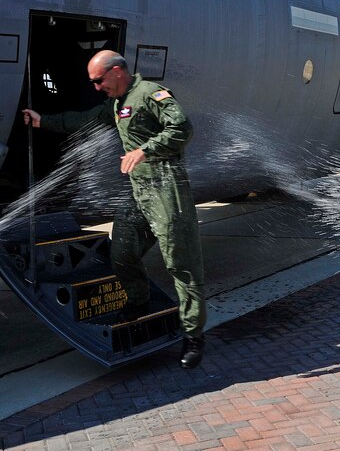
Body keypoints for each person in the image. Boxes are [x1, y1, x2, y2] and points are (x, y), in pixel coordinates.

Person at [23, 50, 207, 369]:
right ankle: (138, 302)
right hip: (138, 192)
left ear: (117, 71)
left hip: (167, 190)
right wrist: (43, 122)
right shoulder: (116, 105)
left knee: (181, 263)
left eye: (99, 80)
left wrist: (144, 151)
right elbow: (85, 120)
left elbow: (182, 128)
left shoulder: (150, 94)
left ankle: (193, 335)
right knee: (121, 252)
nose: (96, 87)